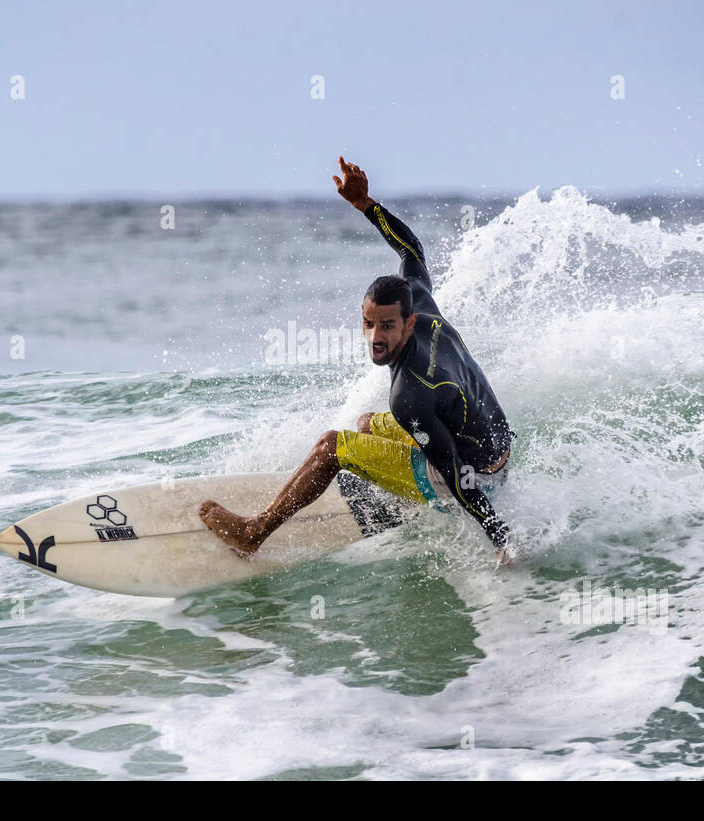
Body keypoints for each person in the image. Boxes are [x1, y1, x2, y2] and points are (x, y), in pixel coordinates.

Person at [199, 156, 515, 566]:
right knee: (368, 424)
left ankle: (254, 533)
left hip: (478, 479)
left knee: (333, 446)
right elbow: (411, 248)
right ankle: (393, 496)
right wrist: (366, 205)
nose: (375, 338)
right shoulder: (418, 296)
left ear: (409, 320)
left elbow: (456, 475)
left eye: (387, 327)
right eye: (368, 324)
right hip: (498, 452)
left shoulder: (411, 394)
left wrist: (499, 537)